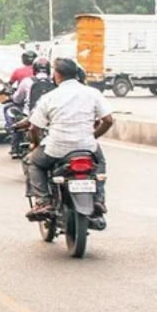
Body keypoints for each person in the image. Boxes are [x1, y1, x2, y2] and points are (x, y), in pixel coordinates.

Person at [25, 58, 113, 220]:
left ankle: (43, 201)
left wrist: (35, 145)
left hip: (56, 148)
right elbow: (108, 120)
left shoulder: (50, 97)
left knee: (33, 162)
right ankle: (98, 199)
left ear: (57, 75)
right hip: (87, 147)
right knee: (99, 163)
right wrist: (92, 137)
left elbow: (34, 128)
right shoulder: (92, 93)